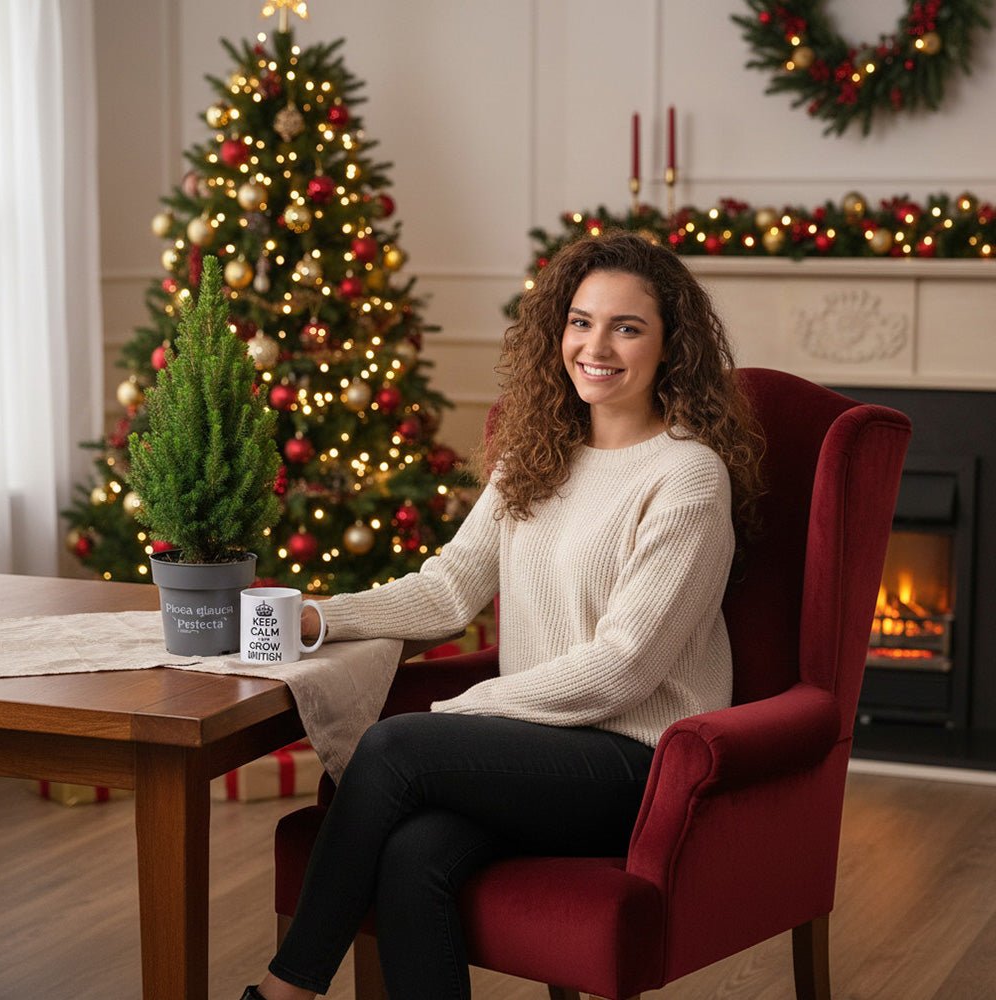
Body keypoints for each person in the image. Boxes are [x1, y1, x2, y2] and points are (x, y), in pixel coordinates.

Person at [240, 230, 764, 1000]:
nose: (597, 346)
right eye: (581, 321)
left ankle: (284, 993)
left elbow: (624, 667)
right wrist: (320, 619)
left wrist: (468, 710)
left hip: (634, 764)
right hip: (531, 751)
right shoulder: (537, 452)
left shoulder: (688, 477)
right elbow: (451, 588)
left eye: (627, 327)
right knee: (413, 856)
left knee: (397, 750)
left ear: (670, 345)